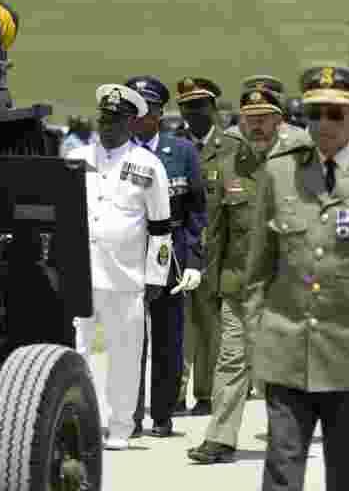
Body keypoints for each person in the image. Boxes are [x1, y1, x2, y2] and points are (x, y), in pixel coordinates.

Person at [244, 64, 349, 491]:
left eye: (335, 114)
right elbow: (257, 270)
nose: (323, 124)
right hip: (285, 349)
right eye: (314, 113)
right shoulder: (279, 173)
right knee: (282, 469)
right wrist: (256, 341)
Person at [187, 76, 308, 465]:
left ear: (279, 121)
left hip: (288, 287)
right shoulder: (228, 166)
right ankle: (220, 438)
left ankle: (291, 432)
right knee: (231, 361)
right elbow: (217, 231)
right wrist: (212, 282)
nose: (255, 125)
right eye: (249, 117)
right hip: (239, 284)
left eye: (264, 117)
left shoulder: (301, 163)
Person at [69, 83, 174, 451]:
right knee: (73, 352)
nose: (108, 126)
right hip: (79, 272)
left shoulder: (148, 166)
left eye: (117, 120)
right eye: (104, 118)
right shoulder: (77, 157)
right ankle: (75, 420)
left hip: (126, 277)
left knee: (125, 357)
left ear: (132, 122)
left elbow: (161, 229)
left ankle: (120, 427)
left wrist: (156, 277)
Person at [123, 76, 208, 438]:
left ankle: (161, 413)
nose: (141, 118)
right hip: (126, 252)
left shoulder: (182, 151)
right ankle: (129, 416)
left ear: (159, 113)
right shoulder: (117, 153)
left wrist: (193, 262)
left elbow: (197, 212)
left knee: (168, 339)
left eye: (148, 110)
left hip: (168, 251)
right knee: (129, 338)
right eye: (135, 111)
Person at [174, 77, 239, 416]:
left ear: (213, 108)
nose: (194, 112)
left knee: (211, 325)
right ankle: (174, 393)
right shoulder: (175, 147)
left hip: (217, 252)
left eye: (200, 105)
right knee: (180, 325)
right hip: (180, 251)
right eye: (187, 107)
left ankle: (205, 395)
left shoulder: (231, 148)